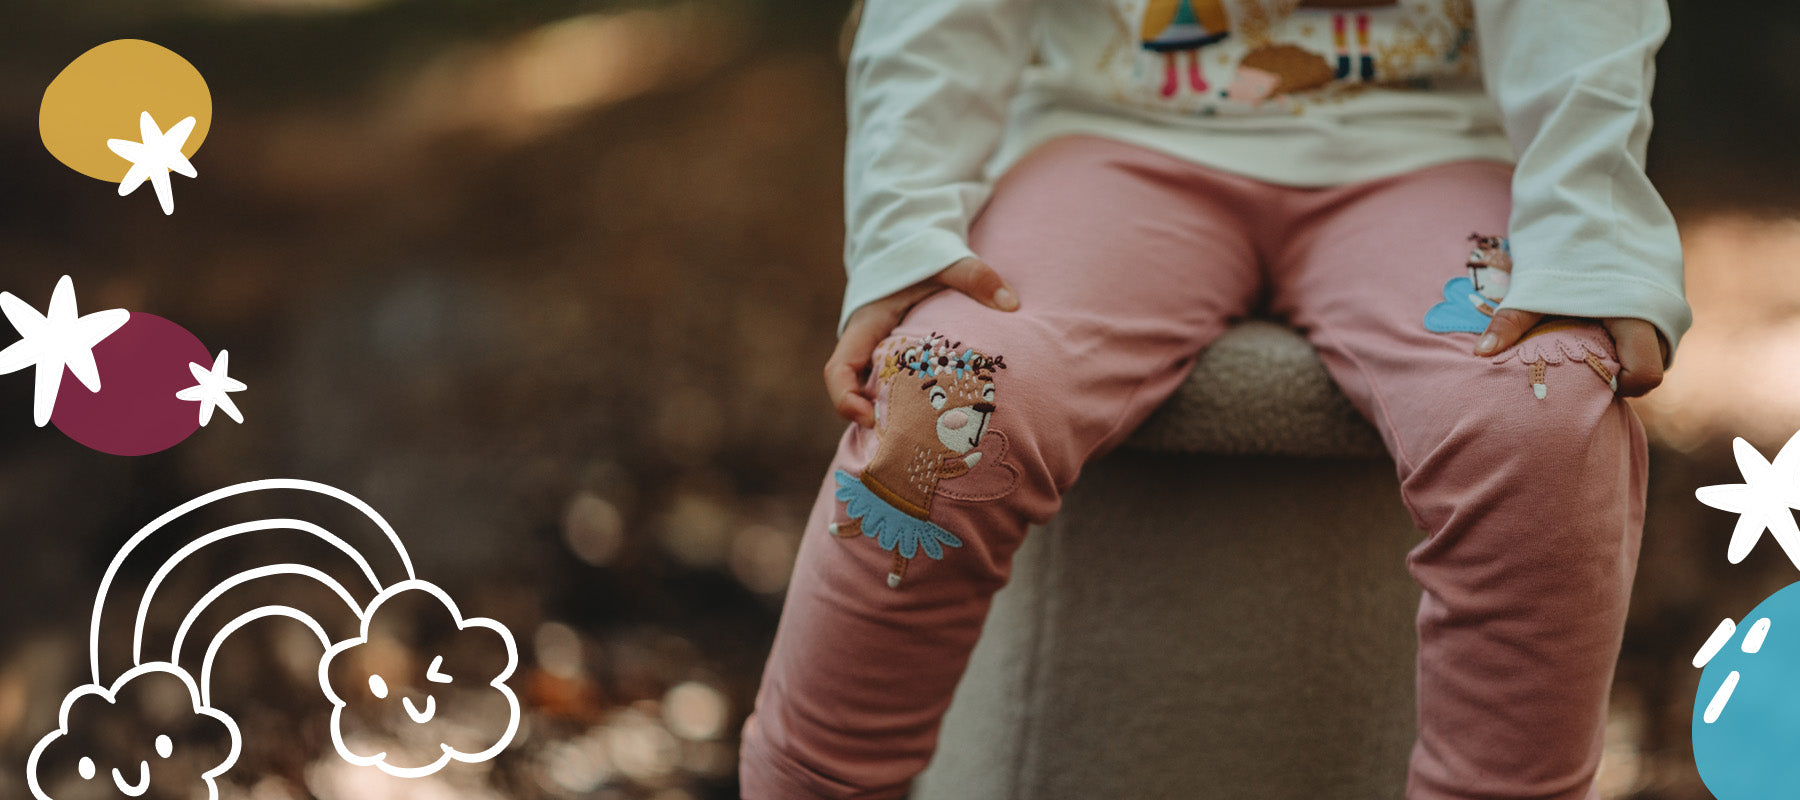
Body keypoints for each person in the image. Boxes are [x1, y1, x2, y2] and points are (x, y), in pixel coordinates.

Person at [740, 0, 1688, 797]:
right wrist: (905, 224)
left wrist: (1587, 225)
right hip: (1107, 141)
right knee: (933, 405)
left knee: (1544, 412)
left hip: (1430, 151)